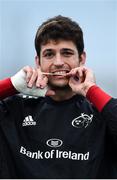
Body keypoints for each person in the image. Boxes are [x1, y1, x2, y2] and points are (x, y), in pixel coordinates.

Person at [0, 15, 117, 179]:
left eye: (67, 53)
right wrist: (10, 86)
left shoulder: (102, 114)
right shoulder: (13, 110)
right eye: (49, 54)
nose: (58, 62)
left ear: (82, 59)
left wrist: (91, 89)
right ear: (38, 62)